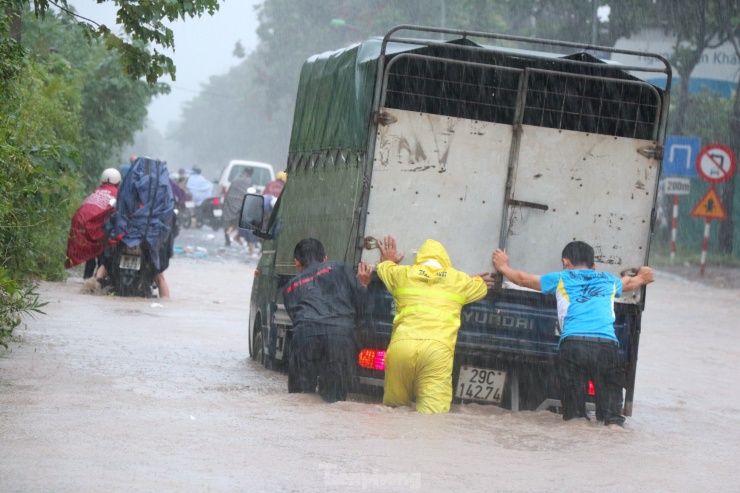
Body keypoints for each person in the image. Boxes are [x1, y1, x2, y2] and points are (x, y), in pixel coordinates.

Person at [492, 241, 655, 429]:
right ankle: (613, 444)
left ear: (566, 262)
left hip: (573, 347)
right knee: (612, 420)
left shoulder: (562, 278)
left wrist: (503, 266)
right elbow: (630, 283)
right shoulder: (607, 280)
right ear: (593, 266)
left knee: (575, 419)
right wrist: (643, 276)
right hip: (607, 347)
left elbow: (522, 279)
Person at [375, 235, 493, 414]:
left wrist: (388, 260)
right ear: (446, 261)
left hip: (401, 348)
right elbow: (483, 286)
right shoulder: (458, 280)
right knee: (431, 421)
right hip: (436, 352)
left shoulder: (402, 274)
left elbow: (384, 268)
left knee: (394, 413)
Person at [283, 238, 372, 403]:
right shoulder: (340, 268)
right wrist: (363, 284)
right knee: (334, 402)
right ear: (325, 258)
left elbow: (297, 320)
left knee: (299, 399)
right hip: (339, 338)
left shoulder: (290, 287)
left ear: (297, 262)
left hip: (305, 338)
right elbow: (361, 307)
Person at [65, 168, 121, 278]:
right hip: (97, 226)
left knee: (90, 253)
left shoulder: (97, 191)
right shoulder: (117, 193)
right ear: (118, 182)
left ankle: (87, 278)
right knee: (102, 252)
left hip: (80, 221)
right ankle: (98, 280)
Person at [222, 167, 253, 247]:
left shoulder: (236, 177)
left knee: (226, 220)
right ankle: (235, 235)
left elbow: (230, 189)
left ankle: (227, 239)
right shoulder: (249, 181)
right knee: (239, 221)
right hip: (240, 203)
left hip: (230, 201)